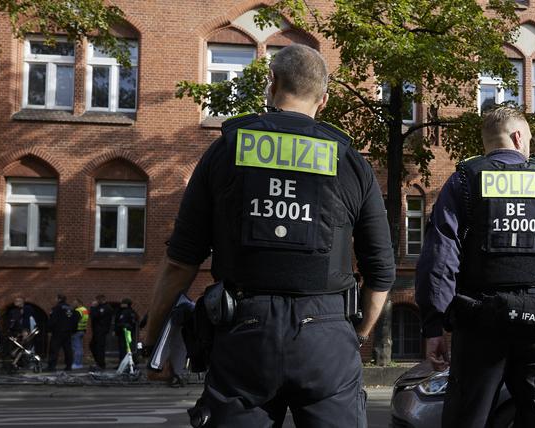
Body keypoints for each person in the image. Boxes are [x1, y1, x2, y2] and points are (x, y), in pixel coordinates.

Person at [144, 44, 395, 427]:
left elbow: (182, 260)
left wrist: (152, 336)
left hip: (244, 332)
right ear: (324, 99)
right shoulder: (349, 159)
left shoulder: (227, 148)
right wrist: (355, 334)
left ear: (271, 83)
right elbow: (381, 272)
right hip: (327, 334)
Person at [415, 106, 535, 428]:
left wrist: (434, 325)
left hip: (479, 320)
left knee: (468, 418)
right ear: (518, 136)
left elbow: (439, 257)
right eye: (529, 139)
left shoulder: (465, 180)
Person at [167, 292, 194, 387]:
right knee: (180, 356)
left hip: (178, 338)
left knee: (176, 356)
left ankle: (176, 377)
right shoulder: (190, 306)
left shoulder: (178, 308)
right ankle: (177, 377)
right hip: (184, 338)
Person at [47, 294, 78, 372]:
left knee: (54, 349)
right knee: (68, 349)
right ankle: (68, 366)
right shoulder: (71, 308)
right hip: (68, 332)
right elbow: (75, 320)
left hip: (58, 332)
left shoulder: (56, 308)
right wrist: (73, 330)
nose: (55, 300)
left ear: (59, 299)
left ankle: (52, 367)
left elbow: (53, 320)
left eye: (56, 298)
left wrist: (49, 330)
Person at [89, 294, 113, 371]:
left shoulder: (105, 308)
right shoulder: (99, 307)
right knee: (93, 345)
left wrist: (92, 307)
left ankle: (101, 364)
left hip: (101, 330)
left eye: (97, 299)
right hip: (97, 330)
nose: (96, 301)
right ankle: (98, 362)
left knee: (99, 347)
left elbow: (94, 316)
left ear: (101, 299)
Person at [72, 298, 89, 370]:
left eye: (74, 303)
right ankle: (79, 363)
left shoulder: (78, 311)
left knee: (76, 348)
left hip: (77, 331)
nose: (73, 304)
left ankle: (77, 364)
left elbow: (74, 321)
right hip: (82, 330)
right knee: (79, 348)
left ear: (78, 303)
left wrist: (72, 330)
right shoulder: (84, 310)